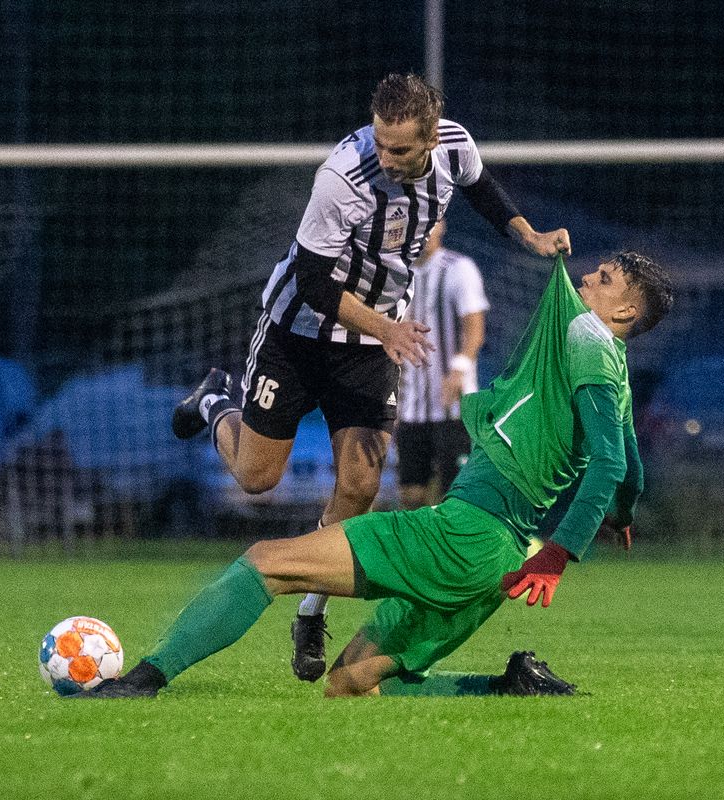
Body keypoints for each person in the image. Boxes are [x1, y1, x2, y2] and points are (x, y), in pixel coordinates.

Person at [74, 250, 674, 699]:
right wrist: (619, 516)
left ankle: (144, 681)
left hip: (466, 537)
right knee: (352, 683)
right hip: (499, 559)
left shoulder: (588, 335)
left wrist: (560, 554)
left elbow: (612, 465)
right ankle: (509, 685)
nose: (588, 277)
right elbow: (631, 472)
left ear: (623, 310)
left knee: (264, 562)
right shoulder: (615, 371)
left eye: (606, 280)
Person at [170, 73, 571, 683]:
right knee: (256, 478)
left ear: (432, 137)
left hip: (369, 343)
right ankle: (217, 402)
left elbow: (483, 189)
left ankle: (311, 609)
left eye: (401, 149)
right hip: (297, 334)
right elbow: (312, 281)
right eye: (380, 144)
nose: (386, 157)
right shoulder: (341, 178)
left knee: (359, 483)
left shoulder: (456, 146)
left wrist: (529, 235)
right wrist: (387, 329)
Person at [396, 220, 488, 510]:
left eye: (429, 225)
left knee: (455, 493)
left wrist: (459, 369)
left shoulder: (459, 268)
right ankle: (417, 554)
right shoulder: (399, 275)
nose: (423, 232)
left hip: (454, 406)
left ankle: (453, 552)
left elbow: (474, 326)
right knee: (411, 496)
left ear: (442, 227)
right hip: (411, 405)